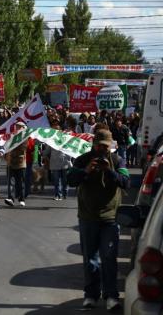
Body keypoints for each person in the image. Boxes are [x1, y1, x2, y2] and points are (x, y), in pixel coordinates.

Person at [67, 129, 129, 311]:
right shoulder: (83, 159)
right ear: (93, 144)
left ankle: (111, 296)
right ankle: (91, 295)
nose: (102, 150)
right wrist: (86, 170)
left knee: (109, 258)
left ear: (110, 146)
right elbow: (71, 180)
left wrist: (108, 170)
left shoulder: (117, 160)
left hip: (110, 217)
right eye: (99, 146)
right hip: (88, 217)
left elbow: (126, 182)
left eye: (106, 147)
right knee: (90, 259)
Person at [43, 123, 73, 200]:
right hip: (55, 163)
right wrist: (43, 154)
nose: (55, 131)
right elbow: (47, 151)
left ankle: (65, 193)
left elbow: (71, 149)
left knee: (65, 180)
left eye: (57, 129)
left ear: (60, 130)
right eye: (54, 129)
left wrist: (69, 159)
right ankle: (57, 195)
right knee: (56, 181)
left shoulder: (66, 138)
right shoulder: (51, 140)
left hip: (65, 162)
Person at [4, 122, 27, 208]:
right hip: (10, 162)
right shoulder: (10, 136)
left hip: (21, 163)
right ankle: (11, 198)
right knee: (11, 182)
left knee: (20, 182)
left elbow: (23, 148)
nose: (17, 128)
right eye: (16, 127)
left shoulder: (25, 138)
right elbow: (5, 147)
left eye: (19, 127)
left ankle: (22, 199)